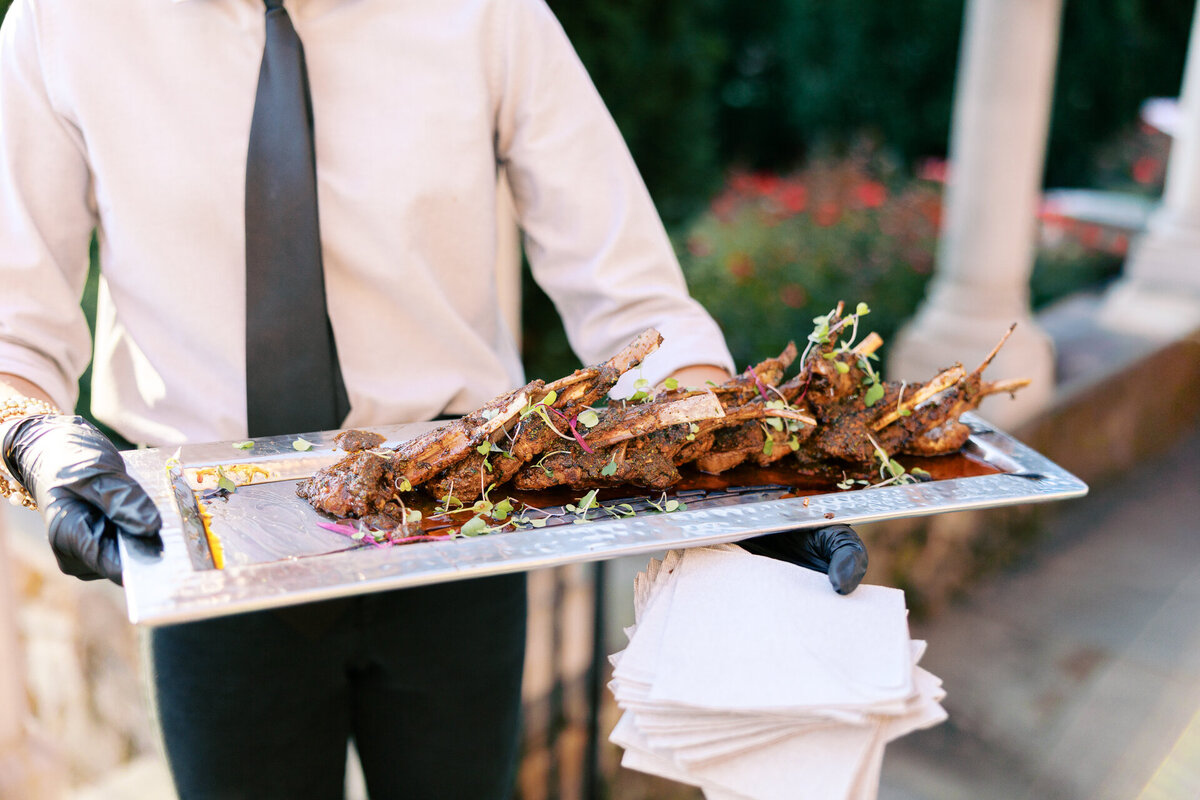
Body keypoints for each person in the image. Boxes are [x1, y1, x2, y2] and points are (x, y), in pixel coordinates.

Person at [0, 1, 867, 798]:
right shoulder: (64, 20)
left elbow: (631, 299)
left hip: (458, 532)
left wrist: (749, 471)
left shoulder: (491, 10)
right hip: (211, 558)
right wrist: (33, 441)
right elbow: (12, 336)